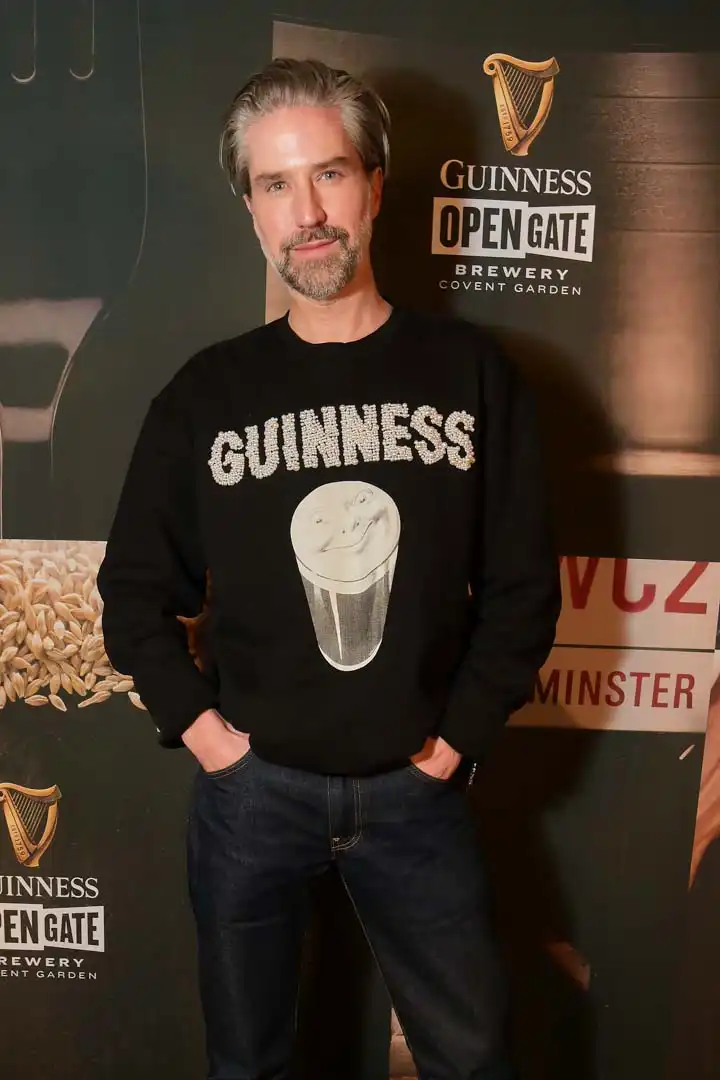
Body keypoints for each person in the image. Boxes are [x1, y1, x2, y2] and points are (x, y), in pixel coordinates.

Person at [97, 57, 561, 1080]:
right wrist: (212, 741)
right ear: (251, 209)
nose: (306, 213)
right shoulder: (206, 395)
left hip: (417, 795)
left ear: (376, 185)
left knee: (473, 1059)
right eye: (275, 184)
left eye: (330, 174)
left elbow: (525, 592)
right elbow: (132, 597)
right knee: (247, 1064)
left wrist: (452, 746)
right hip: (252, 796)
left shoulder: (472, 376)